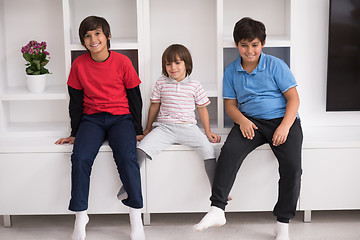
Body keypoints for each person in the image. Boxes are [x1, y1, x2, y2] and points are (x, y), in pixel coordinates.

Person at [194, 17, 303, 240]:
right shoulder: (232, 70)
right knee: (229, 154)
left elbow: (294, 99)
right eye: (244, 45)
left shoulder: (275, 65)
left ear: (262, 44)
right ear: (237, 45)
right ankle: (217, 209)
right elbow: (230, 105)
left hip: (283, 120)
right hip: (250, 121)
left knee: (292, 168)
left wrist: (284, 126)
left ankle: (282, 225)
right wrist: (242, 121)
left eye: (254, 45)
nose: (249, 50)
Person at [55, 16, 145, 240]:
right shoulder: (79, 65)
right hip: (91, 120)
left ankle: (135, 216)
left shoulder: (123, 62)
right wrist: (75, 133)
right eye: (87, 35)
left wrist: (137, 128)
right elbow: (75, 101)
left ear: (107, 36)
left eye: (97, 34)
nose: (93, 39)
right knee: (80, 157)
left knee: (127, 156)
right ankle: (80, 216)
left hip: (121, 119)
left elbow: (135, 98)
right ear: (83, 41)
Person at [117, 44, 221, 201]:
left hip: (189, 128)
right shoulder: (161, 82)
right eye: (168, 63)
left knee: (208, 150)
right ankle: (128, 186)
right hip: (164, 128)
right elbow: (154, 106)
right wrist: (147, 128)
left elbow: (202, 109)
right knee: (141, 150)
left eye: (177, 63)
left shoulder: (195, 85)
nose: (173, 67)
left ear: (187, 64)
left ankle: (218, 191)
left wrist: (207, 131)